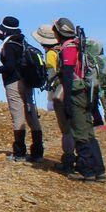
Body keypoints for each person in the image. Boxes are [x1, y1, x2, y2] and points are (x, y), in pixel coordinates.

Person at [54, 18, 106, 182]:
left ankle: (87, 170)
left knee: (79, 133)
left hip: (76, 94)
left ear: (59, 32)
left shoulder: (68, 48)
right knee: (88, 133)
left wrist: (67, 101)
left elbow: (68, 74)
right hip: (86, 93)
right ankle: (99, 170)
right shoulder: (78, 46)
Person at [0, 16, 42, 163]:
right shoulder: (21, 40)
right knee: (31, 112)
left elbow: (10, 66)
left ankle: (19, 152)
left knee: (18, 114)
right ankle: (38, 151)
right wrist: (0, 36)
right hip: (27, 81)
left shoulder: (10, 45)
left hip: (14, 82)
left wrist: (0, 69)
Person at [34, 23, 75, 174]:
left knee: (66, 129)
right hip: (74, 91)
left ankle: (69, 160)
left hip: (61, 92)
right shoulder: (66, 49)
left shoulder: (51, 53)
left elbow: (51, 73)